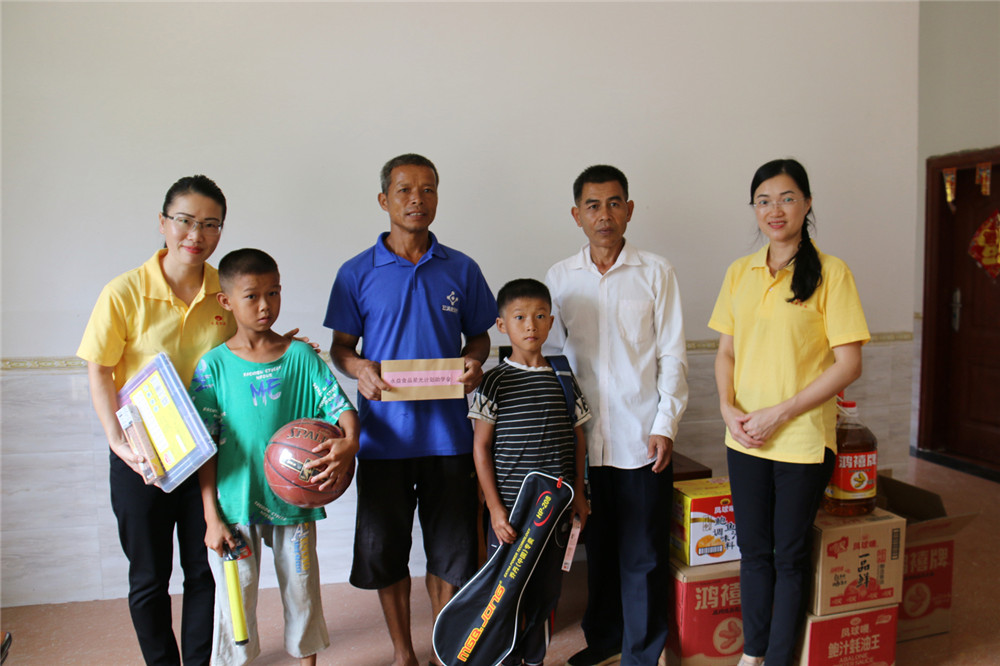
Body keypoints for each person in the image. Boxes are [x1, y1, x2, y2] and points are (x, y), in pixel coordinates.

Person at [324, 153, 497, 666]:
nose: (416, 200)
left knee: (452, 554)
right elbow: (340, 348)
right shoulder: (356, 272)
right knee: (386, 554)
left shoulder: (461, 269)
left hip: (450, 438)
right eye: (404, 190)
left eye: (427, 189)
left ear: (438, 197)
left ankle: (443, 649)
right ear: (384, 200)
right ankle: (404, 653)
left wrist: (474, 360)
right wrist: (360, 368)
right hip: (383, 439)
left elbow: (480, 336)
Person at [708, 158, 869, 666]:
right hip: (745, 436)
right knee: (754, 552)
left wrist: (780, 413)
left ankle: (778, 658)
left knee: (789, 555)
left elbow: (849, 364)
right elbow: (726, 352)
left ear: (807, 203)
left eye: (786, 198)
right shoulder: (740, 272)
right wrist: (727, 408)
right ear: (753, 208)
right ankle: (752, 654)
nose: (774, 210)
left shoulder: (832, 273)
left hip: (801, 440)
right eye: (764, 201)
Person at [78, 175, 235, 665]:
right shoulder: (124, 291)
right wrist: (117, 441)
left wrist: (283, 347)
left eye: (211, 224)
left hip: (206, 458)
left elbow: (244, 351)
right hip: (142, 458)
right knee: (148, 577)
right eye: (185, 221)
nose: (196, 235)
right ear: (163, 222)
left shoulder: (226, 293)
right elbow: (99, 369)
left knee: (203, 571)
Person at [544, 165, 688, 666]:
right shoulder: (560, 278)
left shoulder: (656, 272)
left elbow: (672, 355)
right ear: (576, 215)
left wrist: (664, 425)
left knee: (643, 552)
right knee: (599, 549)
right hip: (585, 442)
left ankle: (643, 653)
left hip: (640, 438)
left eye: (613, 203)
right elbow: (554, 360)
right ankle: (605, 641)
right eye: (593, 205)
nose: (603, 215)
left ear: (629, 210)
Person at [189, 248, 360, 665]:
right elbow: (204, 449)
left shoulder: (300, 356)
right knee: (235, 605)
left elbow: (341, 409)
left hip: (294, 500)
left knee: (303, 595)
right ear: (226, 301)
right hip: (233, 506)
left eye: (274, 293)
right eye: (252, 296)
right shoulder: (212, 367)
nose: (265, 305)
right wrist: (211, 517)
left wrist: (351, 441)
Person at [469, 278, 592, 666]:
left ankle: (535, 658)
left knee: (545, 592)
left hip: (554, 513)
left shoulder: (563, 378)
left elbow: (579, 439)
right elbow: (480, 448)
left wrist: (580, 495)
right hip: (510, 514)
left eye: (540, 316)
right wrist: (494, 509)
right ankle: (503, 659)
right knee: (504, 594)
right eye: (519, 317)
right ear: (501, 325)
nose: (530, 326)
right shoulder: (494, 381)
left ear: (551, 322)